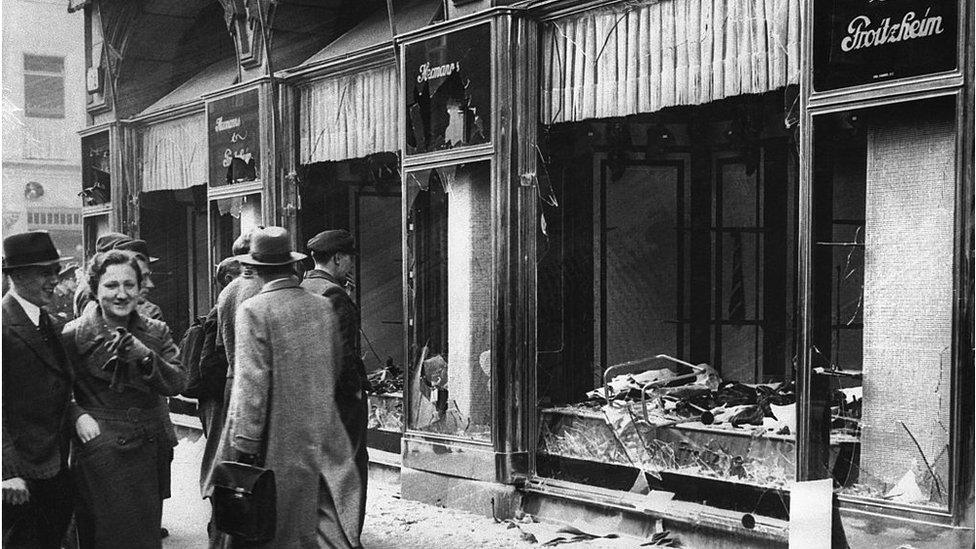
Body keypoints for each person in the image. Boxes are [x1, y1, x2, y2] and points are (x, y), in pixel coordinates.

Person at [226, 226, 364, 548]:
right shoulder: (322, 305)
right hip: (324, 434)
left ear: (258, 270)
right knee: (325, 521)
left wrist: (244, 445)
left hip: (278, 439)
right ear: (291, 264)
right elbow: (335, 367)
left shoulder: (254, 310)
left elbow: (252, 386)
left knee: (274, 527)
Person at [62, 250, 185, 549]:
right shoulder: (73, 335)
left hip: (145, 451)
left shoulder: (155, 332)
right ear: (94, 288)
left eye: (129, 285)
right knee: (102, 538)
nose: (121, 294)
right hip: (98, 453)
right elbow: (56, 392)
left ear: (141, 288)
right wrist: (77, 414)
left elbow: (178, 381)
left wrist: (145, 356)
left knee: (143, 538)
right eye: (111, 286)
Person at [2, 231, 75, 548]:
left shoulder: (49, 322)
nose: (53, 280)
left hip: (55, 465)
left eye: (55, 272)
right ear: (16, 275)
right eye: (44, 272)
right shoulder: (4, 325)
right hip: (20, 476)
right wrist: (6, 473)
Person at [303, 229, 369, 539]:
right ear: (338, 258)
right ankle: (348, 537)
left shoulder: (303, 287)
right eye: (349, 259)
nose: (351, 266)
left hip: (309, 397)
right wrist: (355, 391)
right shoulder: (335, 295)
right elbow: (343, 354)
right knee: (350, 467)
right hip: (339, 402)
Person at [196, 257, 240, 544]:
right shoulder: (222, 309)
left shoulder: (225, 305)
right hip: (217, 400)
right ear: (226, 280)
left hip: (217, 398)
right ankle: (219, 534)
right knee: (220, 464)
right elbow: (210, 364)